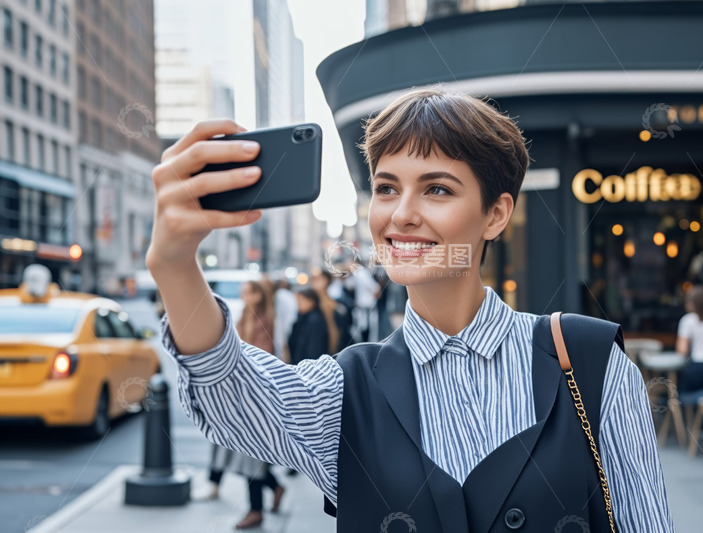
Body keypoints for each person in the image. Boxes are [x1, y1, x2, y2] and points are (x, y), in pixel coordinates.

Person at [147, 89, 673, 532]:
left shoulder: (592, 365)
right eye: (386, 188)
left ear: (495, 214)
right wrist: (174, 266)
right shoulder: (347, 387)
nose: (401, 214)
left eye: (437, 189)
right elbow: (230, 394)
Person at [205, 280, 285, 530]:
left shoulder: (265, 319)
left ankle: (256, 509)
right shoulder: (245, 315)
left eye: (248, 292)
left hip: (256, 397)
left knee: (251, 457)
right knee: (244, 455)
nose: (244, 296)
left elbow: (262, 357)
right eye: (242, 292)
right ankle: (274, 486)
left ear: (259, 295)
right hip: (242, 395)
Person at [287, 288, 329, 365]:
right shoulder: (301, 317)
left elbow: (314, 349)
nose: (298, 304)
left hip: (308, 366)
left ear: (311, 301)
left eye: (301, 301)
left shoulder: (315, 320)